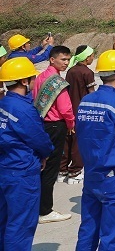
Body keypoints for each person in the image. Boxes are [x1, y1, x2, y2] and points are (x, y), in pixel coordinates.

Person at [74, 50, 115, 251]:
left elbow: (82, 132)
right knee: (114, 233)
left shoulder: (87, 101)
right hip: (114, 176)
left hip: (92, 172)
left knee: (89, 227)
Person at [0, 58, 54, 249]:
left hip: (5, 167)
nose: (34, 81)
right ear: (24, 81)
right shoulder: (23, 109)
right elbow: (39, 139)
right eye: (32, 78)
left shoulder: (4, 103)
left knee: (5, 219)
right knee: (21, 223)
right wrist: (46, 153)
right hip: (22, 171)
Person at [32, 45, 75, 223]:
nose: (66, 63)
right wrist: (71, 123)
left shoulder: (40, 77)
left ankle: (36, 207)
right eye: (63, 59)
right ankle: (45, 210)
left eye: (68, 60)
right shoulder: (57, 82)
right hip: (56, 126)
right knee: (51, 168)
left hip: (41, 124)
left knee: (42, 166)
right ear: (52, 59)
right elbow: (65, 108)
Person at [59, 45, 96, 184]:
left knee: (67, 140)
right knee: (79, 142)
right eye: (92, 55)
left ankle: (62, 170)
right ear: (87, 57)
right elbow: (91, 94)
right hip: (82, 110)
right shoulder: (87, 72)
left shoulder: (71, 70)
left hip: (69, 109)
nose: (93, 58)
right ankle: (75, 171)